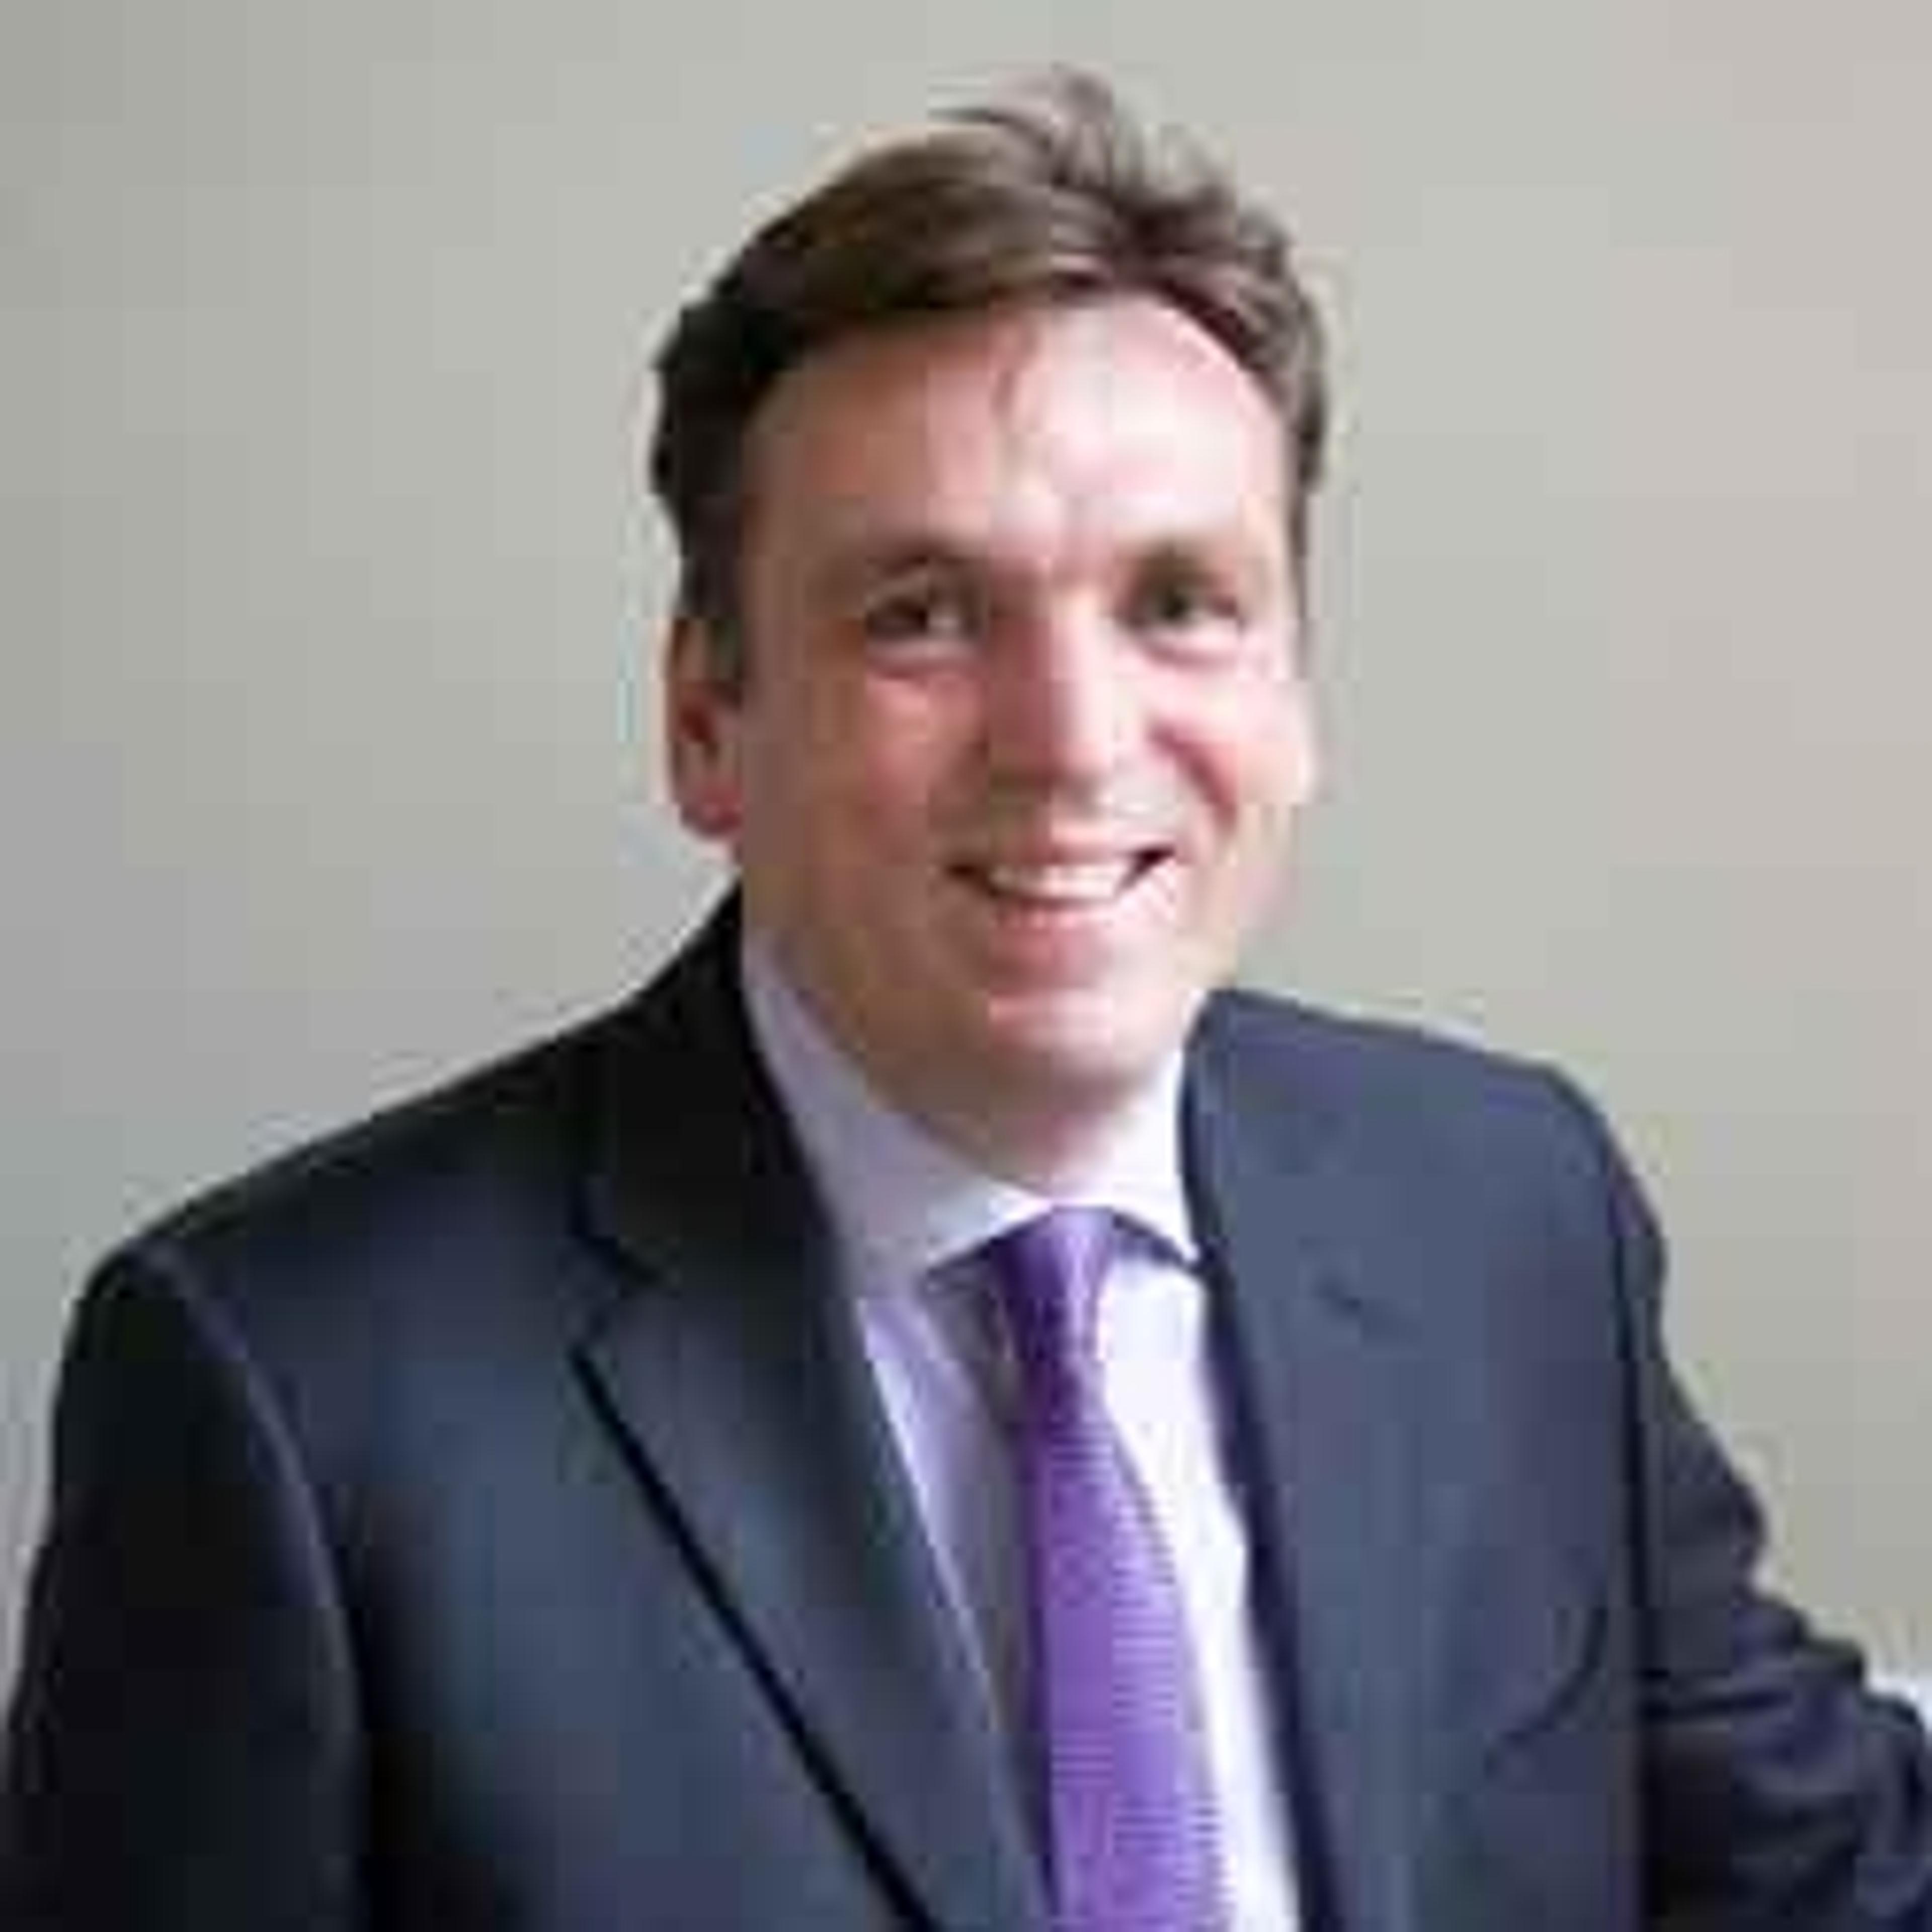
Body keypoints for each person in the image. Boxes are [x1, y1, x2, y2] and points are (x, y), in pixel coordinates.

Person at [4, 69, 1928, 1932]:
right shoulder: (289, 1394)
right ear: (706, 720)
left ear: (1295, 693)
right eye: (922, 614)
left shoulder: (1508, 1214)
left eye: (1179, 603)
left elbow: (1826, 1871)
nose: (1074, 741)